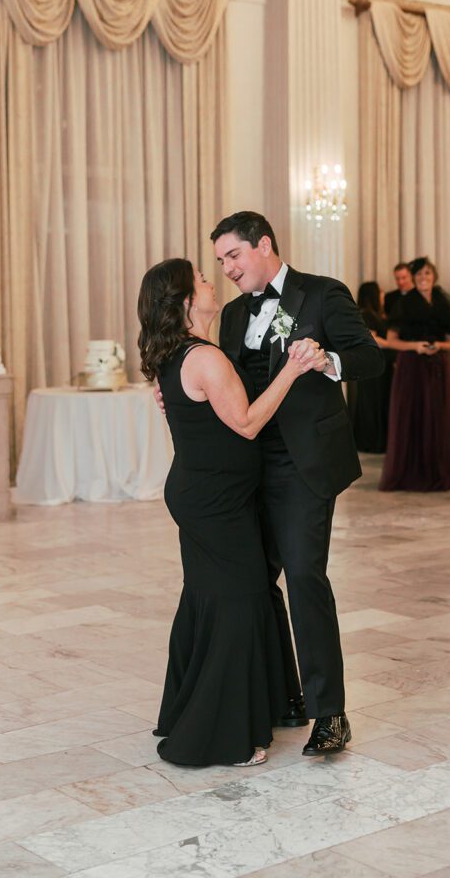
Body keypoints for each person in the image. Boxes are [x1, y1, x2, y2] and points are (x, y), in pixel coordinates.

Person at [210, 211, 384, 755]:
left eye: (233, 256)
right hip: (247, 467)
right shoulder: (235, 315)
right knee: (253, 581)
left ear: (264, 245)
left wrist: (326, 359)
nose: (228, 270)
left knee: (306, 578)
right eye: (220, 262)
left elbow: (370, 358)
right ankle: (286, 692)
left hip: (303, 465)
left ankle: (330, 712)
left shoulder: (322, 293)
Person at [138, 258, 319, 767]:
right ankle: (221, 733)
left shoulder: (182, 354)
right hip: (215, 502)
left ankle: (198, 707)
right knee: (238, 602)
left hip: (204, 495)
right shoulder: (204, 358)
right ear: (186, 302)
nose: (210, 279)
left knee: (212, 597)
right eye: (200, 277)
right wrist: (293, 368)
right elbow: (245, 423)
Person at [380, 257, 450, 492]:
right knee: (414, 416)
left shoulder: (442, 301)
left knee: (437, 418)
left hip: (438, 366)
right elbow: (391, 341)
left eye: (428, 274)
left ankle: (436, 470)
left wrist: (439, 346)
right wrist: (415, 346)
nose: (424, 278)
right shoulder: (405, 304)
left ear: (434, 276)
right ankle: (412, 472)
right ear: (413, 278)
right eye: (419, 275)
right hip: (412, 367)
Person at [347, 281, 394, 453]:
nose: (383, 295)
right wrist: (394, 344)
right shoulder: (366, 314)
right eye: (380, 292)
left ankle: (376, 440)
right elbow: (372, 339)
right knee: (372, 403)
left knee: (377, 403)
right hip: (374, 369)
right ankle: (372, 441)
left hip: (380, 367)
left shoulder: (375, 314)